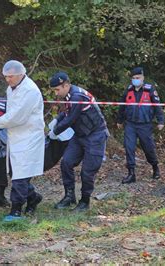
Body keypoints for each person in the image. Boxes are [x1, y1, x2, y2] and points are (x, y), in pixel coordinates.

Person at [0, 60, 44, 222]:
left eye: (10, 77)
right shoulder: (11, 88)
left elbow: (18, 116)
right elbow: (12, 112)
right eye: (5, 77)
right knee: (15, 172)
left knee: (20, 174)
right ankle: (33, 197)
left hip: (29, 136)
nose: (7, 80)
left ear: (20, 75)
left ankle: (16, 210)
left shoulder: (30, 91)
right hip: (16, 136)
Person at [48, 72, 109, 211]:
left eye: (58, 90)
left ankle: (84, 201)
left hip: (95, 135)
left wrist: (55, 131)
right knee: (66, 162)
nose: (56, 93)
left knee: (87, 171)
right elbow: (67, 112)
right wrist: (57, 119)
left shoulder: (77, 96)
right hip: (80, 135)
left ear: (66, 85)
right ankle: (69, 196)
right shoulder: (70, 95)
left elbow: (70, 119)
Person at [116, 67, 165, 184]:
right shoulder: (128, 90)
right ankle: (131, 173)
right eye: (133, 78)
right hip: (130, 124)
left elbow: (157, 106)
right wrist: (119, 120)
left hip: (145, 125)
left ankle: (155, 167)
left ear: (142, 78)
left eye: (137, 78)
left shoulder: (150, 90)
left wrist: (161, 121)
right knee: (129, 147)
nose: (135, 80)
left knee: (148, 148)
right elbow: (122, 106)